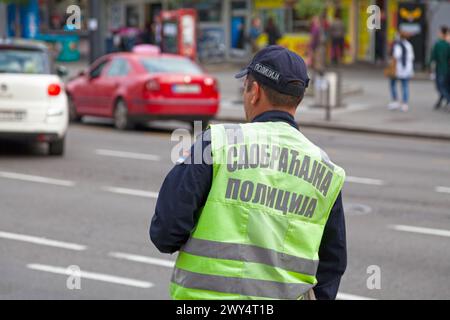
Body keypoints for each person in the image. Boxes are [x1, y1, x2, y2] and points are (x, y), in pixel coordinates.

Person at [150, 45, 347, 300]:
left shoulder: (216, 143)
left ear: (254, 92)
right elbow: (333, 263)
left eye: (245, 87)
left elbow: (165, 231)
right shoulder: (327, 169)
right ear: (297, 98)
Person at [388, 32, 415, 112]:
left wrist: (392, 67)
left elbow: (396, 56)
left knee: (393, 83)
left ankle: (395, 101)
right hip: (407, 69)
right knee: (405, 85)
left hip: (399, 68)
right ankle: (404, 103)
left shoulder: (398, 45)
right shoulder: (409, 45)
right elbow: (412, 57)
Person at [429, 26, 450, 110]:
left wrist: (429, 66)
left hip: (440, 69)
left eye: (439, 32)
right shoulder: (448, 44)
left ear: (442, 33)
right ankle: (439, 103)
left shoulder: (438, 44)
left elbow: (433, 57)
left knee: (441, 87)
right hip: (447, 69)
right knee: (446, 86)